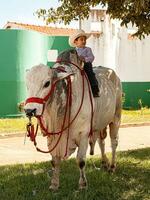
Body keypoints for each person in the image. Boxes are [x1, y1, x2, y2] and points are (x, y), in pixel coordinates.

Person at [69, 29, 99, 97]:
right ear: (75, 42)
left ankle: (95, 89)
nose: (84, 41)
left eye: (85, 40)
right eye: (81, 39)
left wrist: (84, 59)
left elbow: (91, 57)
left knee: (90, 73)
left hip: (86, 66)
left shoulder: (87, 49)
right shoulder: (73, 52)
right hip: (76, 67)